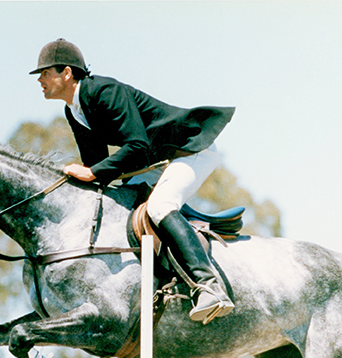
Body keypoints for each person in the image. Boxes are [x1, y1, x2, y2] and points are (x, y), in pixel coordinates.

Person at [30, 38, 235, 324]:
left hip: (189, 151)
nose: (40, 79)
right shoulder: (74, 110)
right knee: (122, 208)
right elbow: (95, 165)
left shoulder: (104, 91)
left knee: (160, 207)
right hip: (156, 162)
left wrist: (93, 173)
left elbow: (135, 146)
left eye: (44, 73)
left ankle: (209, 286)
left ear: (66, 72)